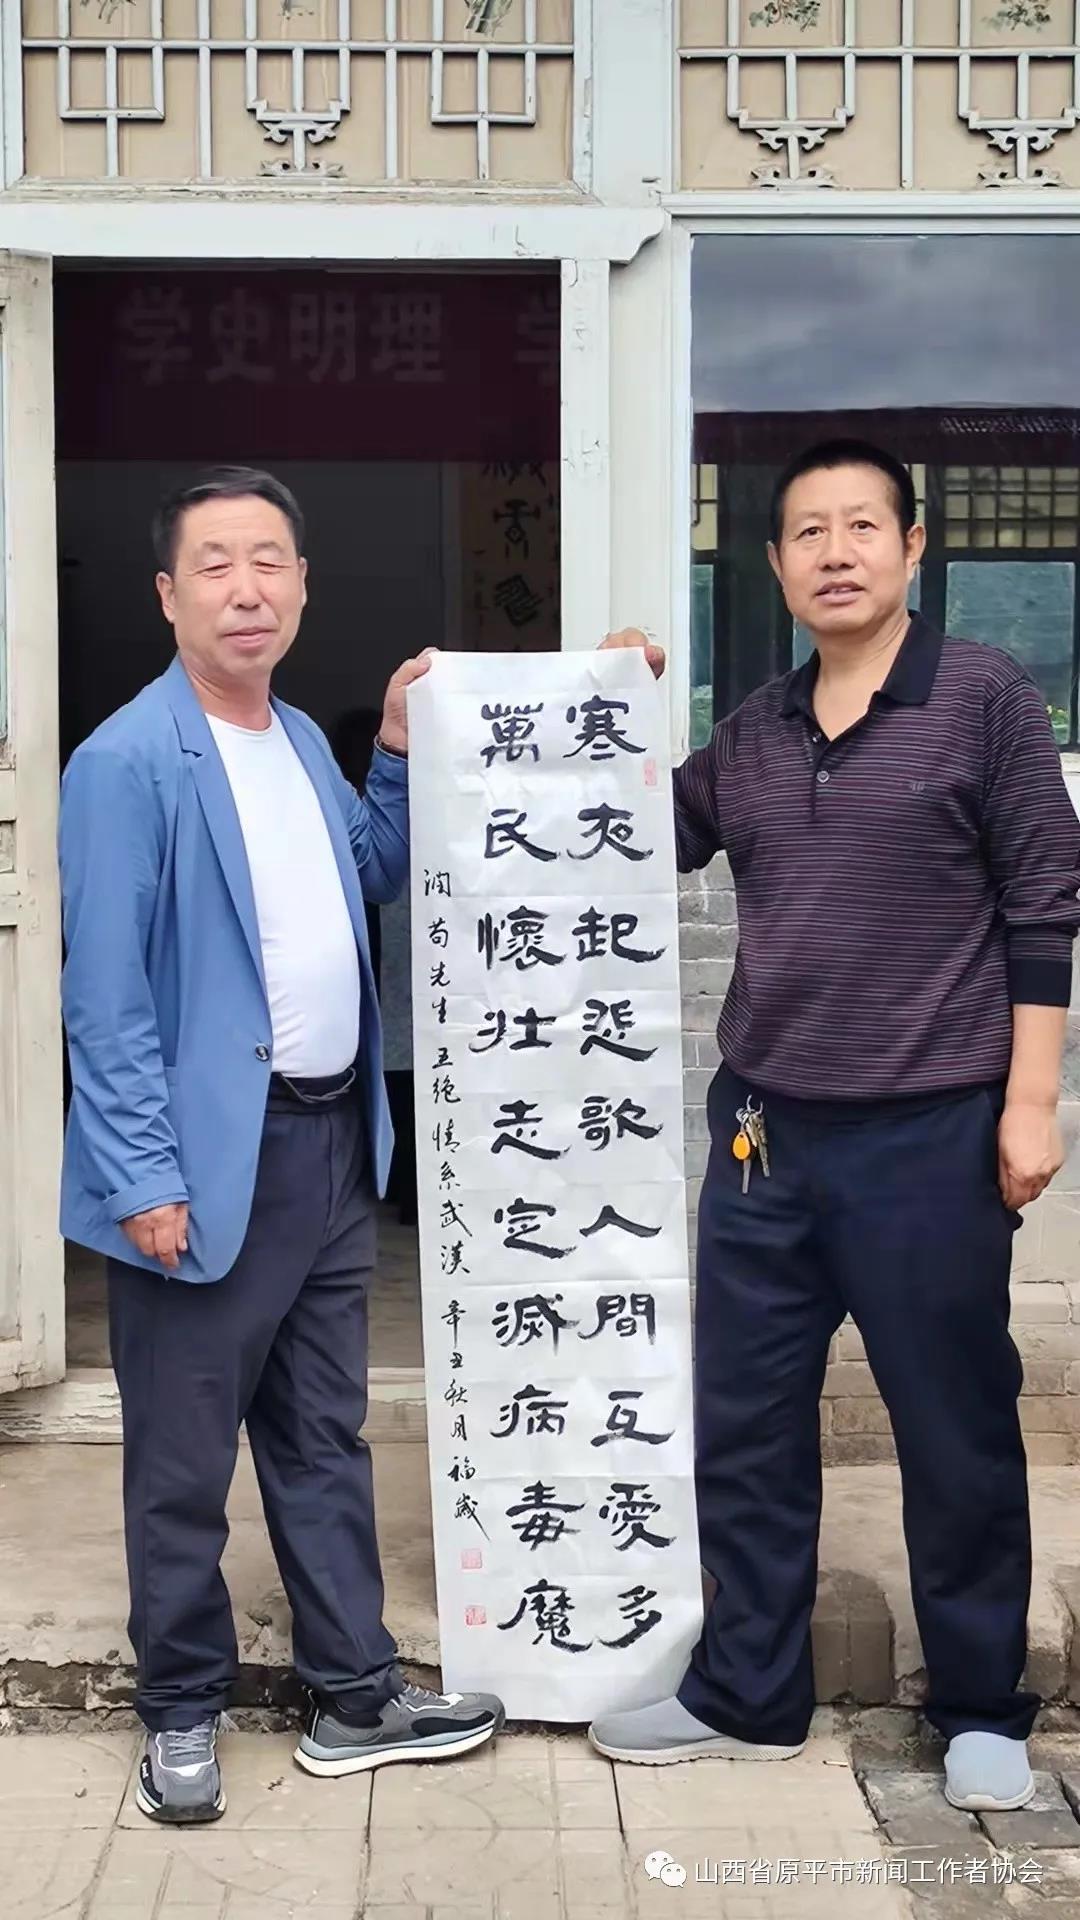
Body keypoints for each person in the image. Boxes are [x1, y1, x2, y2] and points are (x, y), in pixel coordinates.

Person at [589, 439, 1080, 1814]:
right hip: (766, 1136)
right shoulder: (754, 728)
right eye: (808, 531)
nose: (837, 551)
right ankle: (747, 1693)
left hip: (931, 1133)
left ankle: (980, 1706)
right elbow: (636, 837)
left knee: (955, 1424)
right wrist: (605, 712)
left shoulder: (982, 697)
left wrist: (1029, 1103)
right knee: (746, 1423)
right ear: (774, 565)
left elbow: (1045, 901)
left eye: (864, 525)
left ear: (913, 547)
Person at [59, 467, 503, 1825]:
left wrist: (395, 754)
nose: (246, 589)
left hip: (327, 1150)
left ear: (303, 586)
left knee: (321, 1435)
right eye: (216, 565)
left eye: (270, 562)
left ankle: (354, 1692)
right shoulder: (128, 761)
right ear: (168, 595)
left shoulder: (302, 738)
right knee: (184, 1465)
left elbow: (368, 874)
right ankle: (180, 1711)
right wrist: (143, 1176)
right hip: (204, 1167)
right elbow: (104, 998)